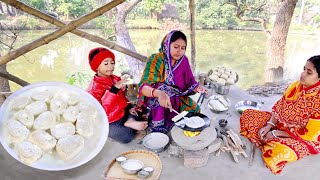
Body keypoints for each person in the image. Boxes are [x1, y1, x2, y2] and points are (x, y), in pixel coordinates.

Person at [240, 55, 320, 174]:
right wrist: (269, 125)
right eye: (304, 69)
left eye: (309, 72)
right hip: (282, 124)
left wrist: (275, 133)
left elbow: (309, 134)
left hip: (303, 137)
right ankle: (266, 139)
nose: (303, 74)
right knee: (248, 115)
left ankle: (267, 140)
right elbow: (279, 107)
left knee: (277, 151)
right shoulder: (296, 86)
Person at [137, 30, 207, 134]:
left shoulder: (184, 61)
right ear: (167, 44)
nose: (179, 51)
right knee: (162, 95)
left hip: (177, 95)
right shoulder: (156, 59)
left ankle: (173, 121)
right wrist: (160, 93)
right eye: (176, 47)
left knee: (194, 109)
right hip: (155, 96)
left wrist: (197, 88)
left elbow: (190, 81)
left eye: (183, 48)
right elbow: (143, 87)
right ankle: (157, 126)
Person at [87, 47, 148, 143]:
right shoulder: (93, 89)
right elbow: (101, 112)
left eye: (112, 62)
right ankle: (131, 124)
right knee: (126, 136)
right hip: (110, 121)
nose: (111, 66)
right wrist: (114, 89)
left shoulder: (115, 78)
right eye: (106, 63)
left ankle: (131, 121)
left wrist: (129, 108)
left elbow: (123, 98)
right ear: (96, 67)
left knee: (139, 106)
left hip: (122, 112)